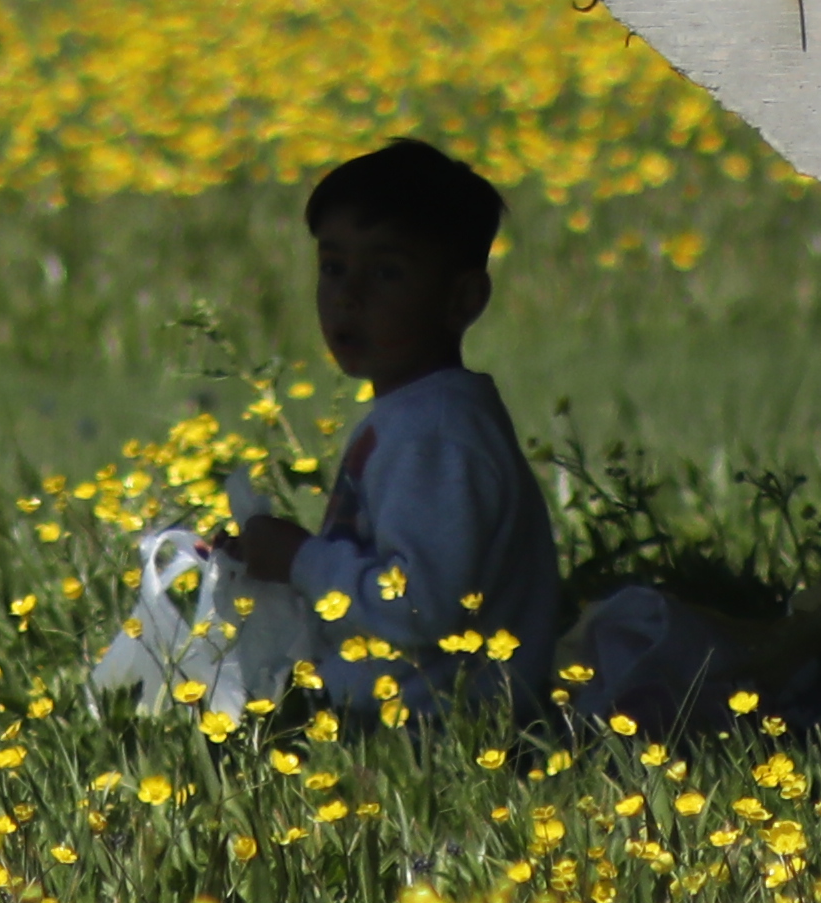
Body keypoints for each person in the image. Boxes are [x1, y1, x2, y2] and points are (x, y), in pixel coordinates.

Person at [201, 136, 564, 728]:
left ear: (463, 299)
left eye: (387, 272)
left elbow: (419, 605)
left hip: (436, 736)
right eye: (334, 267)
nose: (349, 295)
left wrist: (300, 561)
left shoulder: (436, 437)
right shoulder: (416, 416)